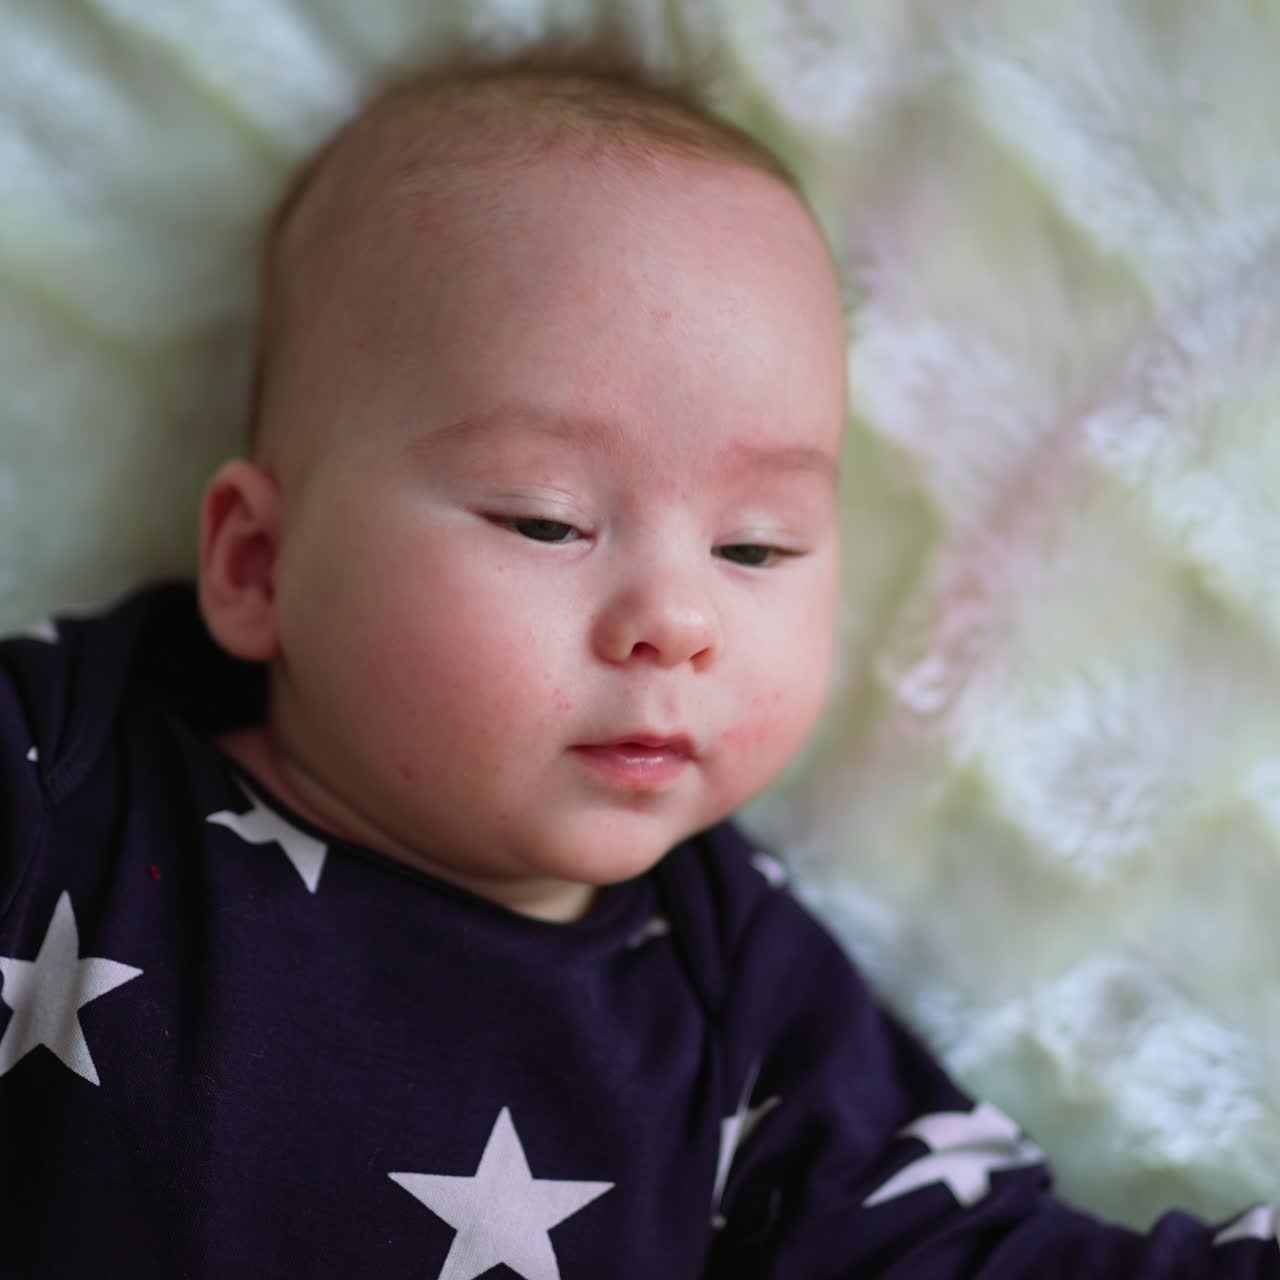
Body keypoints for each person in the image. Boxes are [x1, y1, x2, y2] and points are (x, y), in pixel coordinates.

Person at [0, 36, 1276, 1279]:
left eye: (758, 546)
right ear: (259, 566)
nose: (678, 617)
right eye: (545, 518)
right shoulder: (72, 781)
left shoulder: (737, 995)